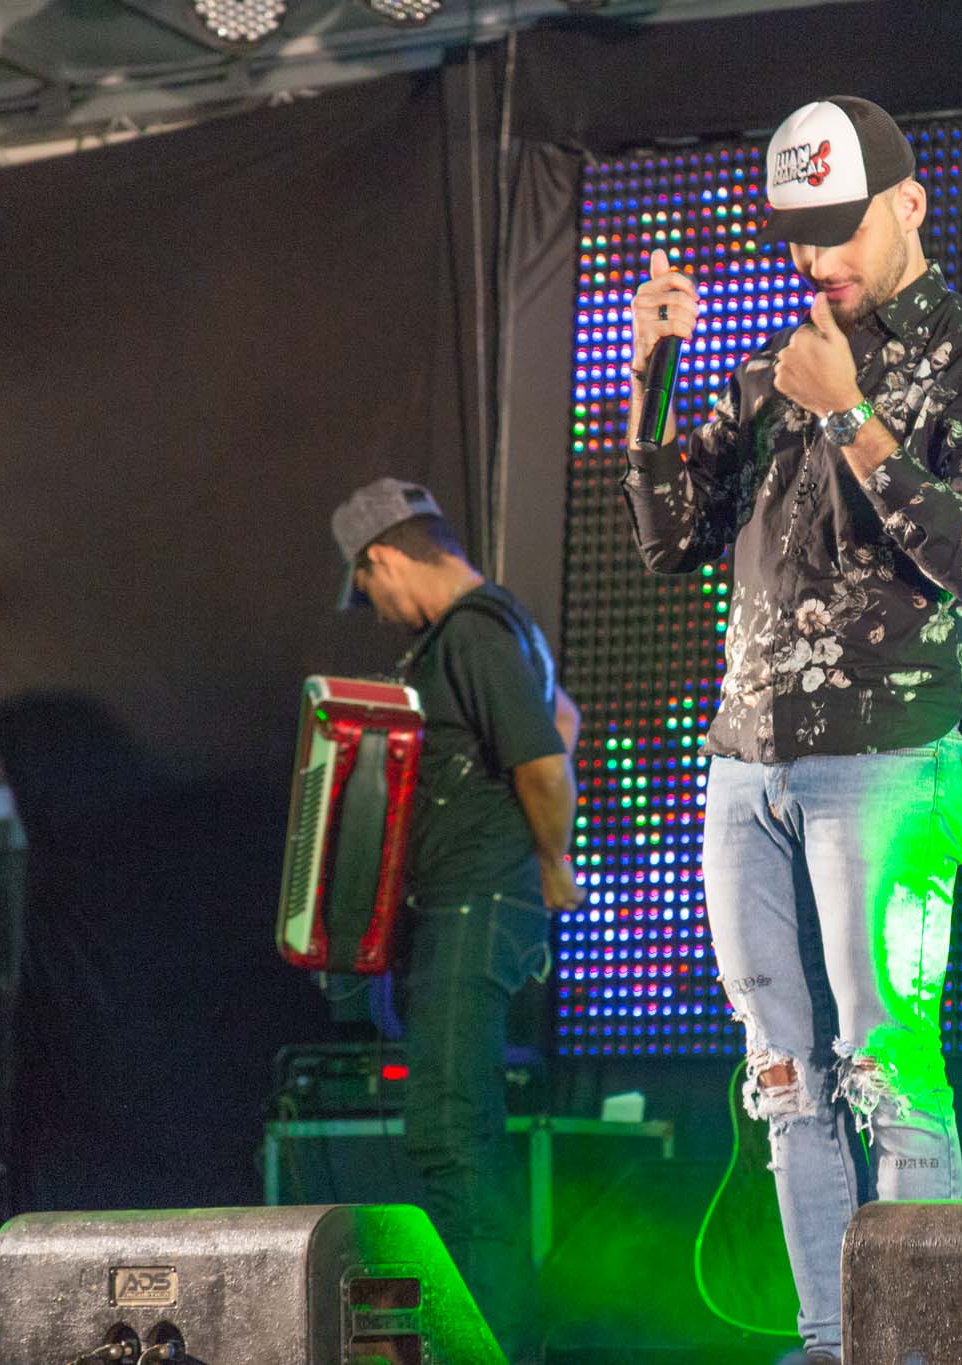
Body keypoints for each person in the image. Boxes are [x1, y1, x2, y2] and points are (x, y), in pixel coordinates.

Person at [619, 96, 962, 1360]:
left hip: (887, 757)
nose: (819, 260)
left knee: (884, 1064)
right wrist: (651, 378)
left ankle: (914, 1343)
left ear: (908, 204)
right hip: (742, 764)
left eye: (841, 230)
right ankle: (829, 1340)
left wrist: (850, 412)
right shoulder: (776, 368)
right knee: (780, 1076)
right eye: (800, 237)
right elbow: (669, 540)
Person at [330, 476, 581, 1364]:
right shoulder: (501, 627)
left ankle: (492, 1347)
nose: (378, 609)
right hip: (474, 906)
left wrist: (551, 861)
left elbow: (542, 762)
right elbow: (563, 716)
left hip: (476, 905)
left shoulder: (471, 630)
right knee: (456, 1135)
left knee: (451, 1136)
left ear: (385, 558)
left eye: (369, 587)